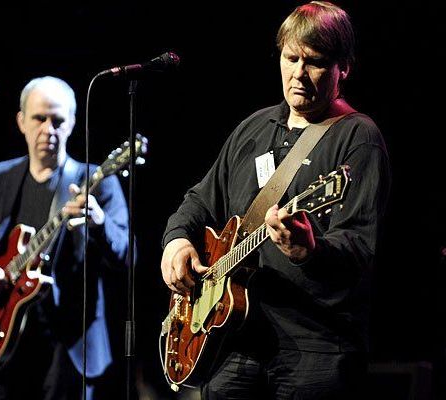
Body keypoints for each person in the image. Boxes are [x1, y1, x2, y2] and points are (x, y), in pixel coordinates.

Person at [160, 2, 390, 399]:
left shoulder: (358, 139)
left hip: (314, 349)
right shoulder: (254, 127)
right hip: (234, 343)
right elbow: (199, 200)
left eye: (315, 62)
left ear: (343, 68)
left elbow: (358, 247)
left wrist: (309, 251)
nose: (299, 73)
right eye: (291, 58)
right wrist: (177, 240)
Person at [0, 76, 129, 400]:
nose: (48, 129)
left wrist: (99, 222)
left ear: (72, 123)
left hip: (67, 352)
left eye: (57, 120)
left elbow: (128, 255)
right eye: (39, 118)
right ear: (21, 121)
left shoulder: (96, 182)